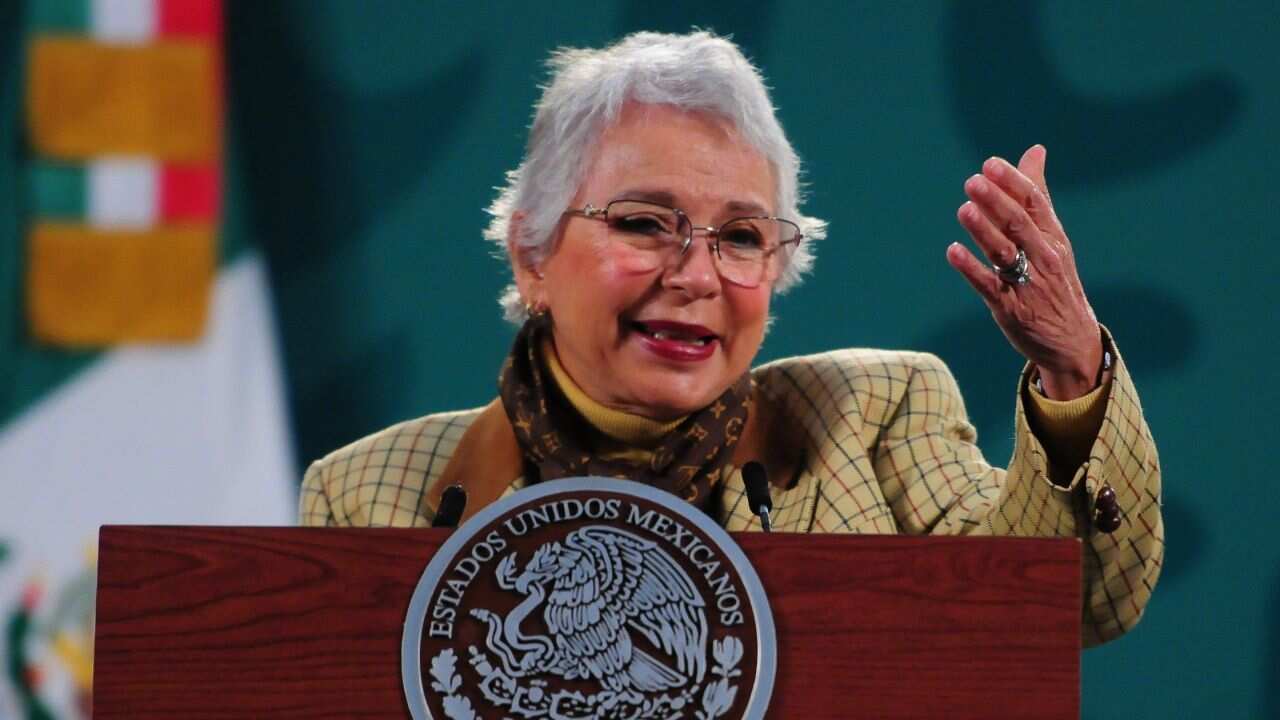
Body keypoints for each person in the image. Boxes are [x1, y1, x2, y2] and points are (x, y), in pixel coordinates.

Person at [300, 31, 1162, 646]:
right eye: (645, 223)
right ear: (532, 253)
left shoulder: (875, 416)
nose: (698, 276)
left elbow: (1067, 606)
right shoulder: (368, 494)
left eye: (742, 237)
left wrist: (1072, 370)